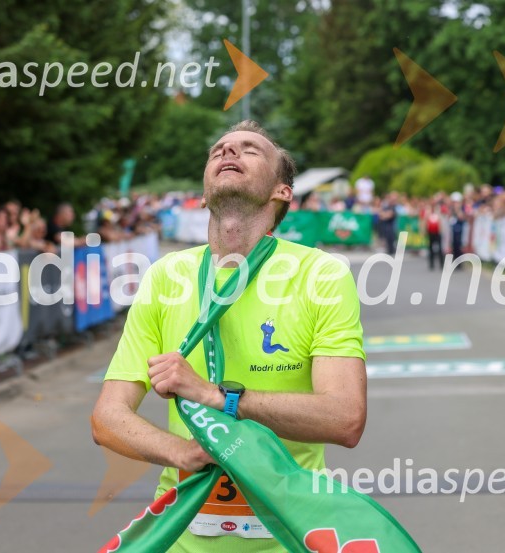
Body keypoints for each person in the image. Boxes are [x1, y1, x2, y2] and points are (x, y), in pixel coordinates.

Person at [91, 120, 367, 553]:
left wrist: (218, 397)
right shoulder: (167, 276)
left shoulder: (320, 273)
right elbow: (107, 418)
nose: (228, 152)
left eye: (250, 150)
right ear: (203, 194)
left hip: (288, 538)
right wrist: (179, 453)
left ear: (282, 192)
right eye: (218, 149)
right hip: (184, 538)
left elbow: (345, 418)